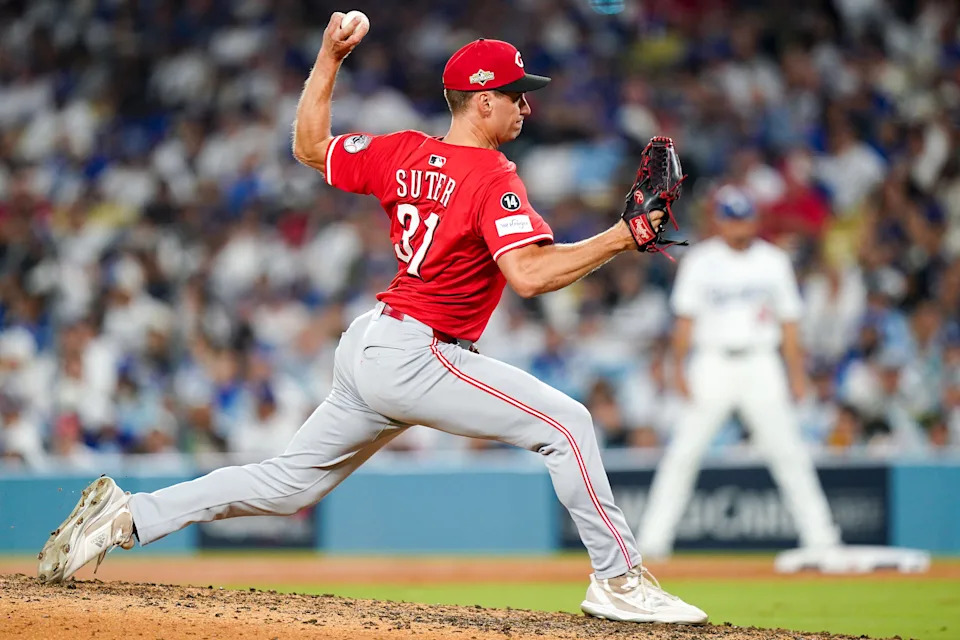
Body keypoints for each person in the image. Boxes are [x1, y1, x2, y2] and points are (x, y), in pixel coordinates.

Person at [38, 13, 706, 625]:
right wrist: (623, 237)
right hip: (420, 350)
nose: (526, 103)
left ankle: (128, 515)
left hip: (372, 345)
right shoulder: (492, 175)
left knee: (285, 484)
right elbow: (530, 276)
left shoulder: (404, 152)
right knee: (568, 422)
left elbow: (309, 145)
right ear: (483, 102)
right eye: (515, 93)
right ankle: (618, 579)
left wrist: (328, 55)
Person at [638, 185, 841, 557]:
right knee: (683, 455)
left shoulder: (772, 260)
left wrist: (796, 375)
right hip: (712, 363)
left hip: (761, 362)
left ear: (754, 219)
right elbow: (684, 320)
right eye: (732, 218)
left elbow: (790, 324)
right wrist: (679, 369)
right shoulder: (701, 260)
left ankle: (822, 539)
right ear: (719, 221)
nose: (739, 225)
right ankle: (653, 541)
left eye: (744, 217)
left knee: (789, 454)